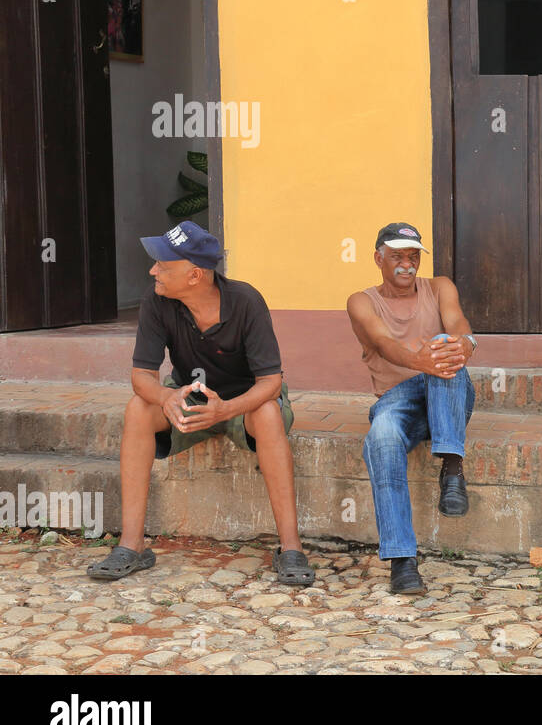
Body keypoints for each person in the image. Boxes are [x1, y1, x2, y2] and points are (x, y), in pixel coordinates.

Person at [87, 221, 313, 586]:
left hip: (245, 400)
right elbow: (141, 377)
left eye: (163, 265)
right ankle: (131, 546)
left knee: (269, 413)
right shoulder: (157, 300)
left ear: (195, 275)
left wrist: (225, 409)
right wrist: (166, 396)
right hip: (190, 395)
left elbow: (271, 383)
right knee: (138, 408)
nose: (152, 271)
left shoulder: (245, 301)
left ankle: (291, 548)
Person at [345, 222, 477, 594]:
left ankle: (452, 468)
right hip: (397, 399)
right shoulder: (362, 300)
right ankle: (402, 561)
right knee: (381, 437)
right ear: (378, 258)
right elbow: (385, 344)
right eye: (398, 257)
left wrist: (464, 344)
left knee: (443, 344)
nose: (407, 265)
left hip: (447, 388)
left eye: (413, 257)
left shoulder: (440, 287)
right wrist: (422, 362)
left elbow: (458, 324)